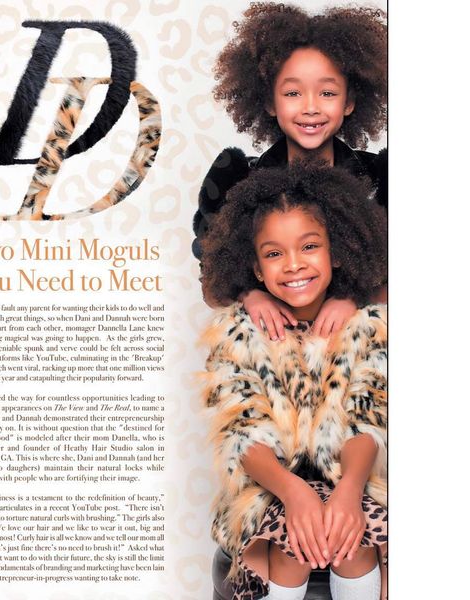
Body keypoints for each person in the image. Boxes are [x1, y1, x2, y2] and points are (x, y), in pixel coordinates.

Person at [200, 164, 387, 600]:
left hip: (348, 474)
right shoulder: (238, 332)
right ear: (256, 270)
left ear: (337, 253)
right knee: (294, 547)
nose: (294, 264)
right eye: (274, 253)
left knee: (350, 541)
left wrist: (346, 492)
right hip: (268, 482)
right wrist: (296, 493)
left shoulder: (365, 326)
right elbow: (243, 436)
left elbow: (367, 422)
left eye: (309, 246)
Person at [193, 2, 387, 341]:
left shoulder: (383, 178)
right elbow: (212, 285)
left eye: (327, 92)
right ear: (269, 102)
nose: (310, 107)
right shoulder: (237, 179)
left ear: (350, 101)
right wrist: (249, 295)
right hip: (271, 360)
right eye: (293, 93)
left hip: (360, 361)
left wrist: (353, 299)